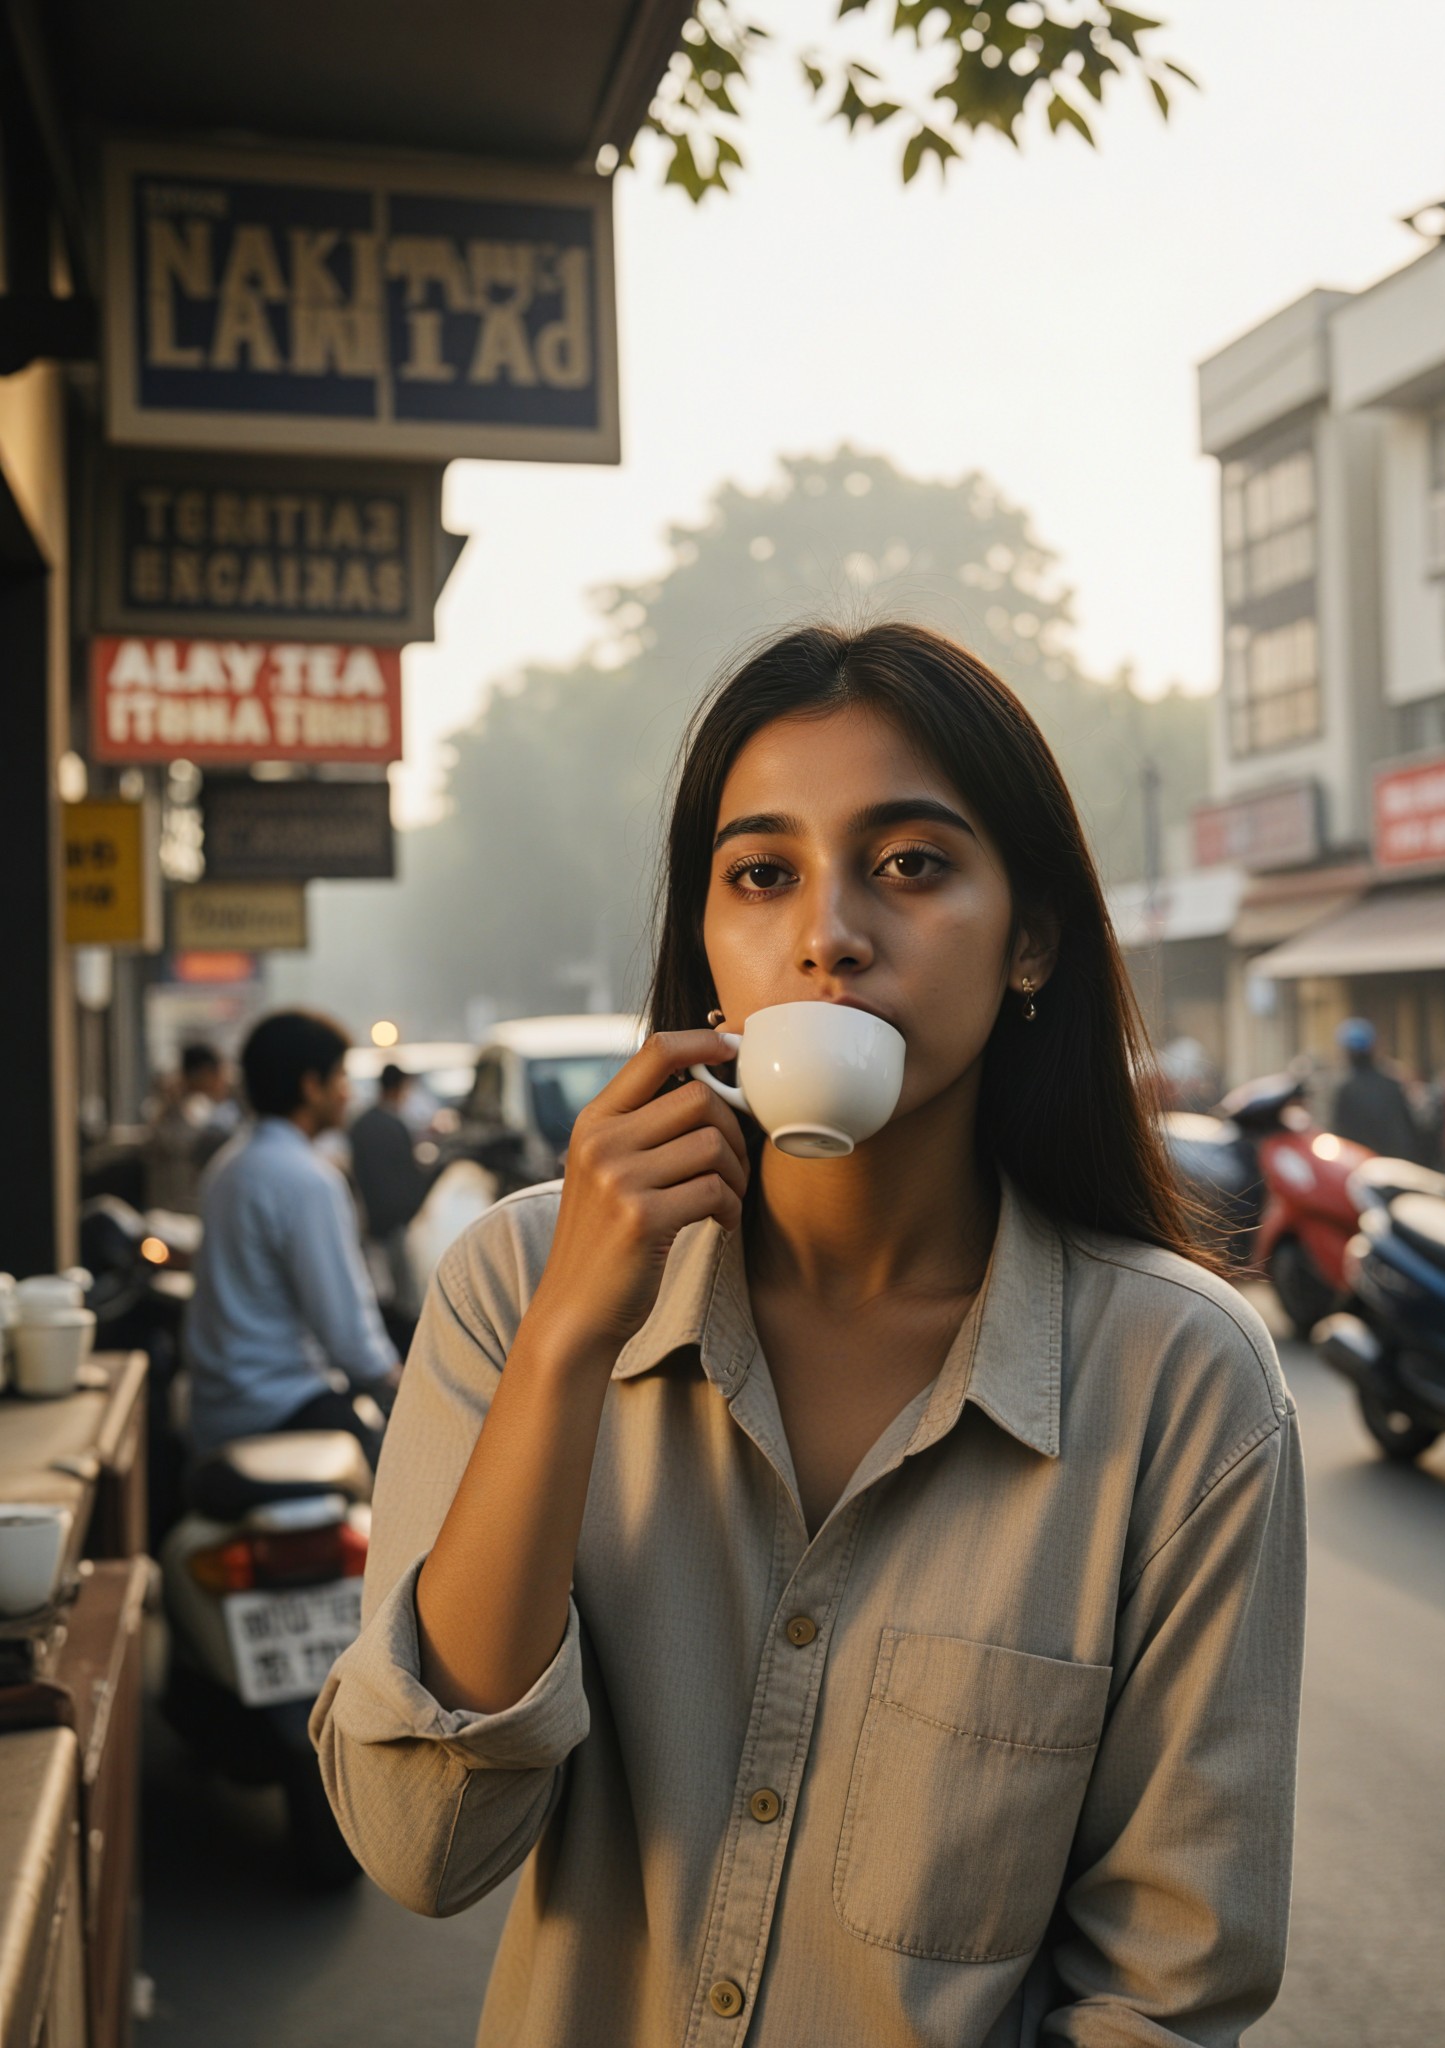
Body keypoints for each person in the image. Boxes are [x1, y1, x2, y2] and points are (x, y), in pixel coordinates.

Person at [313, 624, 1306, 2045]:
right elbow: (420, 1846)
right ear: (710, 950)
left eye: (910, 864)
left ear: (1030, 940)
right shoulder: (517, 1282)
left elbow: (1164, 1986)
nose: (826, 931)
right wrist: (568, 1345)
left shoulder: (1186, 1384)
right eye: (762, 874)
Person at [185, 1010, 400, 1464]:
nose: (349, 1093)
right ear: (310, 1086)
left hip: (217, 1411)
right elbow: (346, 1332)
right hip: (281, 1406)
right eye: (341, 1077)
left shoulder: (229, 1166)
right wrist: (397, 1377)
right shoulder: (307, 1179)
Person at [349, 1063, 429, 1321]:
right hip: (396, 1221)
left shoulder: (360, 1124)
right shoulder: (395, 1125)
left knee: (377, 1289)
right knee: (404, 1295)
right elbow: (408, 1174)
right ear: (399, 1087)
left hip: (370, 1223)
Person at [143, 1042, 238, 1214]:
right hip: (180, 1216)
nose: (225, 1082)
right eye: (220, 1074)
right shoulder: (189, 1112)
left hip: (173, 1213)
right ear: (205, 1074)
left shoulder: (178, 1109)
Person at [1330, 1016, 1422, 1160]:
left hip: (1361, 1167)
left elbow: (1341, 1136)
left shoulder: (1345, 1090)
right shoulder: (1392, 1086)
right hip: (1395, 1165)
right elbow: (1409, 1133)